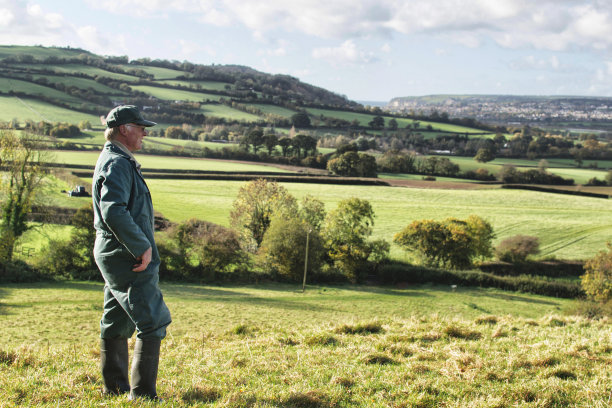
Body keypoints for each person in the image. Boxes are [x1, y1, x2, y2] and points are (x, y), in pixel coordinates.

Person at [92, 105, 171, 400]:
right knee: (152, 320)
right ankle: (143, 395)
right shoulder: (119, 163)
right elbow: (114, 210)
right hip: (127, 254)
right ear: (124, 129)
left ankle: (113, 389)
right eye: (140, 127)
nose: (144, 133)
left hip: (113, 252)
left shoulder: (112, 159)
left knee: (116, 318)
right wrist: (141, 247)